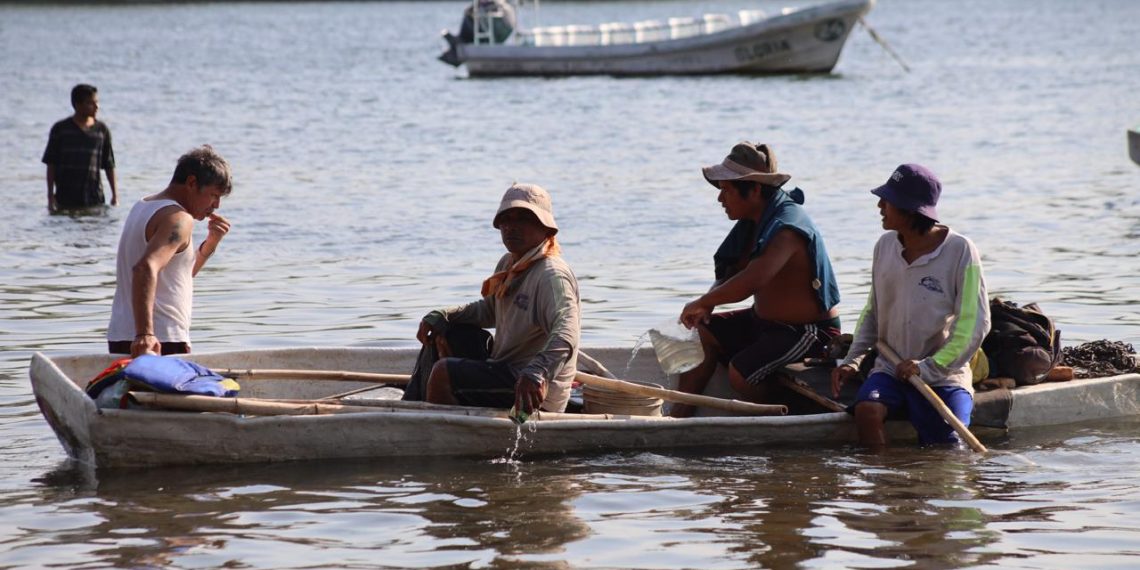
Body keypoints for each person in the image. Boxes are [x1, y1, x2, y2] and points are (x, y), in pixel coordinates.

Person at [673, 142, 842, 417]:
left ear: (753, 190)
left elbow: (754, 278)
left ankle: (793, 415)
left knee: (741, 375)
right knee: (702, 332)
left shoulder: (787, 226)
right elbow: (730, 272)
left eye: (726, 190)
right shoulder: (753, 219)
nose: (720, 199)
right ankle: (678, 414)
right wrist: (707, 305)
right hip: (763, 323)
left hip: (809, 333)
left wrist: (704, 300)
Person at [830, 164, 991, 450]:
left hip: (943, 373)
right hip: (891, 366)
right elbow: (873, 311)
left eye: (887, 200)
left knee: (944, 441)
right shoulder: (884, 246)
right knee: (867, 411)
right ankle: (885, 486)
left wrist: (928, 368)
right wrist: (854, 359)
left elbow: (974, 324)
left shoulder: (961, 250)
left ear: (910, 210)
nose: (880, 205)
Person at [417, 183, 580, 416]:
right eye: (506, 219)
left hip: (534, 389)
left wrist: (537, 372)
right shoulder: (509, 263)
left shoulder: (551, 276)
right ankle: (425, 404)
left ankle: (437, 426)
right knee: (448, 332)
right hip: (506, 369)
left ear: (546, 229)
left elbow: (567, 333)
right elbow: (490, 310)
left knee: (444, 372)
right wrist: (445, 314)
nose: (511, 227)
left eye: (523, 219)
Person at [106, 146, 233, 357]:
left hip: (122, 335)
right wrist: (145, 334)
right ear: (192, 183)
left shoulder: (143, 205)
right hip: (160, 340)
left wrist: (210, 244)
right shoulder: (179, 218)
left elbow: (175, 276)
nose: (216, 205)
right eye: (214, 195)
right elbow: (145, 268)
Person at [42, 84, 118, 212]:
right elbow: (51, 163)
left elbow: (109, 164)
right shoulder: (61, 129)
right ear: (77, 104)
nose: (96, 107)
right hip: (65, 196)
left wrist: (115, 195)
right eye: (90, 103)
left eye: (96, 102)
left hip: (94, 196)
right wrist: (50, 196)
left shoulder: (101, 130)